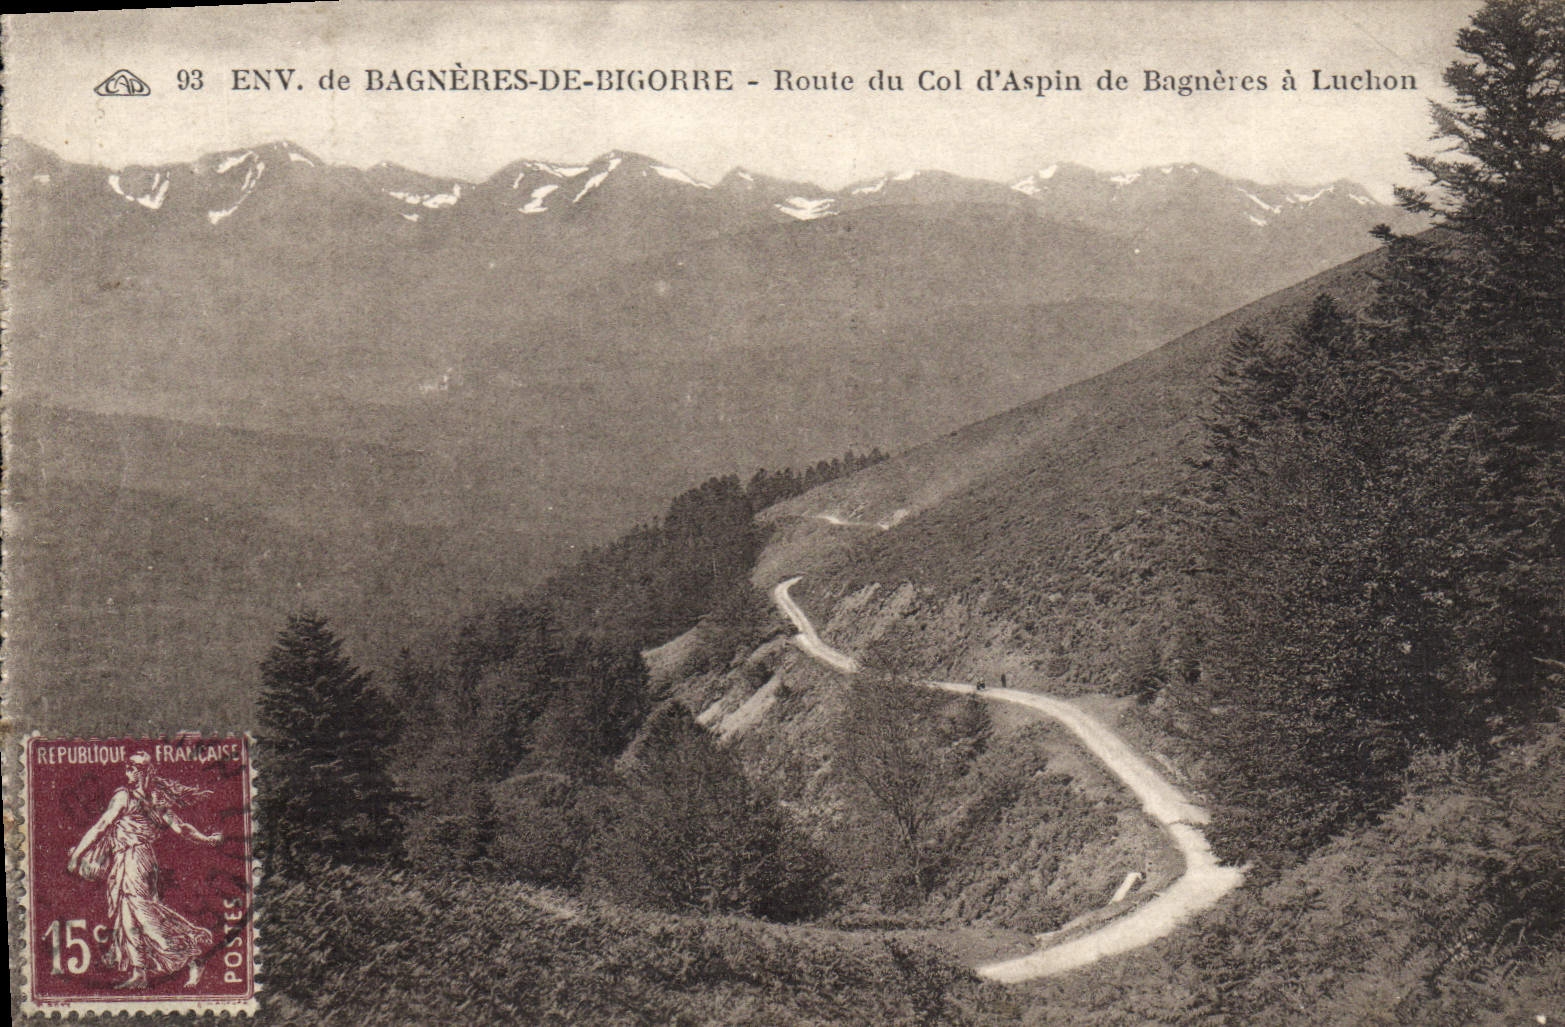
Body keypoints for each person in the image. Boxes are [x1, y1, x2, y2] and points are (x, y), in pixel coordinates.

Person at [67, 752, 222, 989]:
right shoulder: (150, 799)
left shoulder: (129, 797)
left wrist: (78, 854)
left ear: (142, 772)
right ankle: (139, 973)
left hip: (136, 859)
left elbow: (102, 826)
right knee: (128, 916)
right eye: (127, 767)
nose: (127, 772)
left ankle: (192, 956)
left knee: (144, 915)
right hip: (128, 859)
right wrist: (208, 839)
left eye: (131, 768)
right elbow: (183, 829)